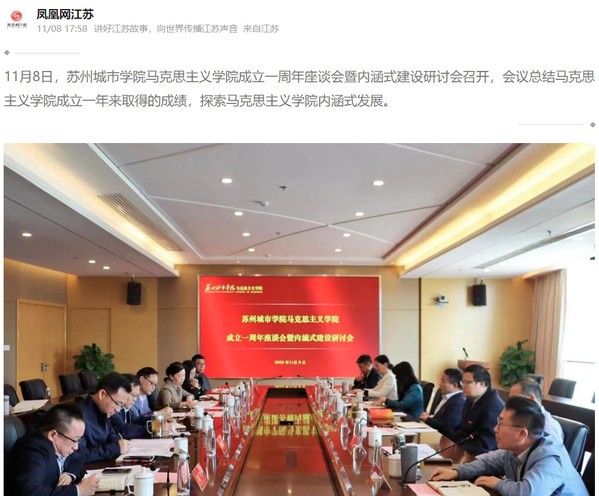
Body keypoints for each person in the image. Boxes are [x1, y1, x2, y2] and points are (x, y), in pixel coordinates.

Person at [431, 397, 589, 496]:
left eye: (501, 423)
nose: (495, 429)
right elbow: (488, 462)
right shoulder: (517, 448)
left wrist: (498, 483)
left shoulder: (550, 457)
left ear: (522, 434)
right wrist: (457, 472)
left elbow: (529, 493)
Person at [6, 403, 100, 495]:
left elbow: (78, 460)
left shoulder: (62, 443)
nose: (76, 447)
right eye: (74, 440)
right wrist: (77, 491)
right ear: (53, 435)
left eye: (79, 440)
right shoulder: (33, 451)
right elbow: (29, 492)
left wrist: (69, 475)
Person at [77, 372, 132, 463]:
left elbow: (110, 434)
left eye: (122, 406)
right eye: (117, 403)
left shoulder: (103, 410)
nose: (118, 410)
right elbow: (78, 456)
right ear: (102, 394)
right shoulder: (78, 417)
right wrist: (114, 448)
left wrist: (119, 443)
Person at [451, 364, 504, 455]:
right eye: (462, 382)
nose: (463, 386)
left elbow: (483, 445)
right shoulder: (471, 398)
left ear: (481, 384)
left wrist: (456, 448)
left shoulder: (492, 406)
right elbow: (463, 429)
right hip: (464, 448)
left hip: (478, 455)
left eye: (467, 382)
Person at [509, 377, 564, 442]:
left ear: (531, 399)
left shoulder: (548, 427)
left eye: (515, 400)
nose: (510, 405)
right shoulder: (524, 420)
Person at [419, 368, 466, 437]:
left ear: (454, 385)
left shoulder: (459, 402)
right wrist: (429, 417)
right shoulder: (446, 397)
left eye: (443, 381)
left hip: (444, 438)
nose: (440, 384)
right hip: (435, 434)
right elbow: (439, 418)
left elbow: (448, 427)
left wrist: (427, 419)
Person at [109, 374, 149, 439]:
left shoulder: (126, 409)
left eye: (137, 396)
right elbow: (123, 430)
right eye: (133, 395)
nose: (135, 399)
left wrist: (156, 419)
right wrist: (151, 429)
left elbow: (136, 421)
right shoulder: (114, 408)